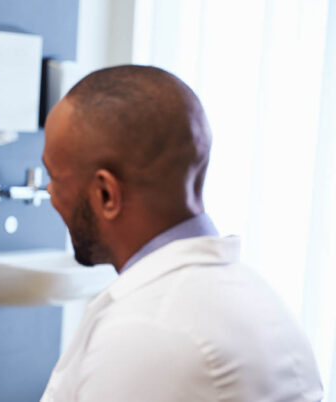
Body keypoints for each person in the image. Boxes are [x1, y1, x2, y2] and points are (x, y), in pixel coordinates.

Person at [39, 65, 323, 401]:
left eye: (55, 177)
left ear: (106, 195)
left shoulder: (146, 330)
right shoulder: (264, 302)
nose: (49, 193)